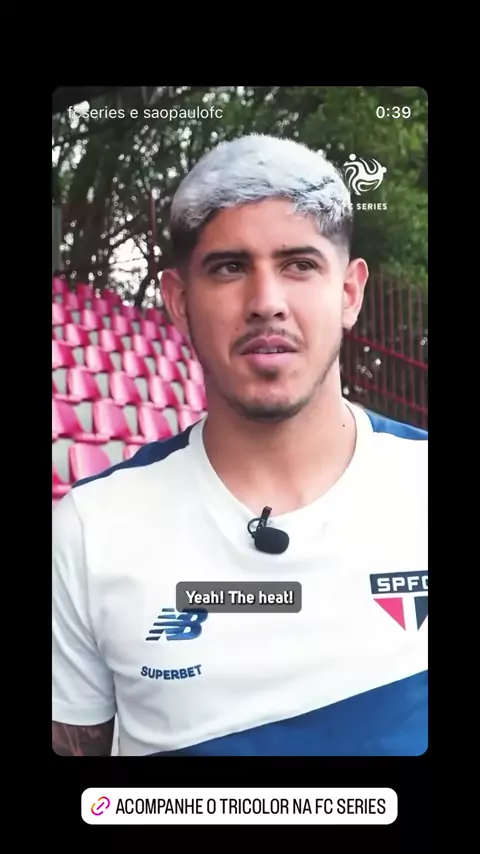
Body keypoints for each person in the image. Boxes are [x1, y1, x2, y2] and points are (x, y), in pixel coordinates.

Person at [52, 134, 428, 757]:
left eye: (299, 264)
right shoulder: (90, 531)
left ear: (350, 293)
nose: (266, 303)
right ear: (179, 302)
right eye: (229, 267)